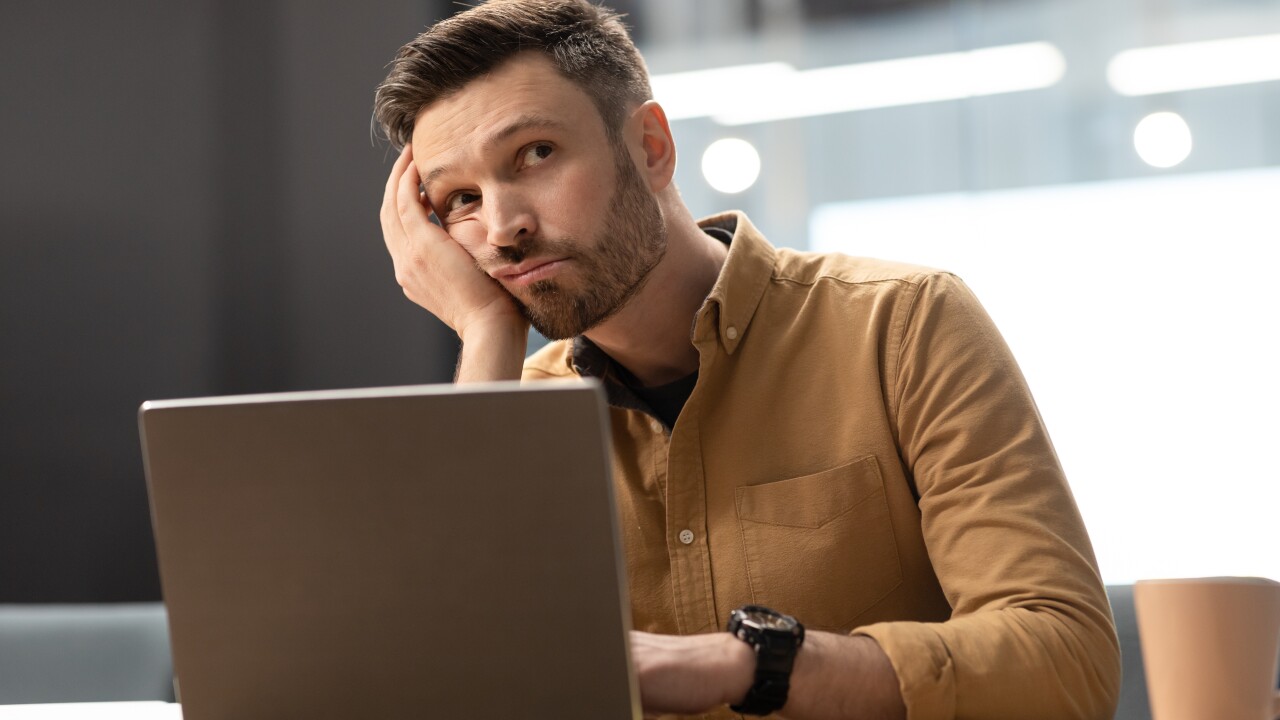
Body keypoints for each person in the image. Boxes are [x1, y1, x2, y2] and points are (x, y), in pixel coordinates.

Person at [373, 1, 1120, 718]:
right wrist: (484, 331)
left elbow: (1065, 660)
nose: (503, 229)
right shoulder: (516, 412)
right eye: (461, 200)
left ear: (652, 148)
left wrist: (747, 663)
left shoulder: (899, 323)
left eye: (535, 155)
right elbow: (464, 682)